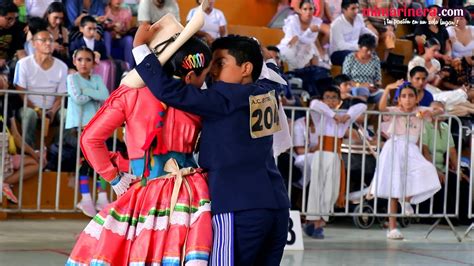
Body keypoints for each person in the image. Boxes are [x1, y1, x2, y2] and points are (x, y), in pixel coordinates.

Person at [132, 27, 291, 265]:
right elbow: (270, 68)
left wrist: (140, 49)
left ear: (246, 69)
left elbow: (168, 90)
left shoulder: (225, 98)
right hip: (276, 205)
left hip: (237, 206)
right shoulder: (267, 89)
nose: (211, 72)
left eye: (220, 63)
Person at [66, 14, 213, 265]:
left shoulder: (131, 94)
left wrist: (113, 176)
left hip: (144, 189)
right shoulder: (200, 99)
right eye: (205, 75)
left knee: (135, 252)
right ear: (190, 75)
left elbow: (90, 139)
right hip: (191, 192)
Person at [370, 81, 441, 240]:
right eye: (403, 96)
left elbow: (440, 110)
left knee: (426, 169)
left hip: (411, 149)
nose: (407, 99)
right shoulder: (395, 110)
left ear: (417, 99)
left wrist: (429, 113)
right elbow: (382, 108)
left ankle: (407, 198)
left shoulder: (420, 111)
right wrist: (388, 88)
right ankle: (392, 227)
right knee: (394, 188)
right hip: (395, 147)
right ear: (399, 99)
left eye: (410, 96)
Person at [304, 86, 366, 239]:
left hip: (335, 156)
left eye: (334, 97)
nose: (330, 100)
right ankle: (312, 221)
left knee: (330, 191)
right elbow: (314, 104)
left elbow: (362, 105)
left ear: (339, 101)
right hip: (320, 154)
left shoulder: (344, 117)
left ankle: (320, 222)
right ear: (323, 99)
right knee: (316, 188)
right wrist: (333, 115)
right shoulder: (320, 116)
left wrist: (346, 116)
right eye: (327, 97)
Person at [66, 47, 110, 217]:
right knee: (84, 162)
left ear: (93, 63)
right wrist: (94, 94)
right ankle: (85, 197)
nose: (84, 63)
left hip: (95, 127)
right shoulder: (72, 78)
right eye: (80, 60)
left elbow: (105, 95)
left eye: (88, 60)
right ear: (74, 61)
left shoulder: (97, 78)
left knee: (102, 161)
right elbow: (78, 98)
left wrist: (88, 91)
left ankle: (102, 196)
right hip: (77, 127)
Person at [13, 27, 68, 147]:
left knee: (67, 115)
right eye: (43, 40)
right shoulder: (23, 64)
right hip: (29, 107)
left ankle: (57, 151)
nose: (48, 43)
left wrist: (53, 111)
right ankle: (29, 151)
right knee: (29, 115)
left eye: (50, 40)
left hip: (52, 108)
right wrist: (37, 110)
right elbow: (21, 92)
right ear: (33, 44)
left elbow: (61, 94)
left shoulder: (62, 66)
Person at [277, 0, 323, 70]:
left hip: (304, 48)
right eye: (305, 9)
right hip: (289, 47)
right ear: (300, 10)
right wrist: (309, 31)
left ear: (314, 10)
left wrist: (301, 37)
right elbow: (293, 41)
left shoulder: (316, 22)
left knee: (313, 51)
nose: (308, 12)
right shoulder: (293, 20)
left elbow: (310, 40)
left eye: (311, 9)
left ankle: (313, 74)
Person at [329, 0, 376, 66]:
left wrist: (373, 37)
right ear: (344, 10)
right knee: (355, 56)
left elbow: (363, 30)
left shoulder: (359, 17)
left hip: (356, 50)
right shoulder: (336, 24)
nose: (356, 11)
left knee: (371, 53)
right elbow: (341, 46)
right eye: (353, 9)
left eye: (357, 8)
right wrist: (359, 47)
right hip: (338, 53)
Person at [342, 33, 382, 104]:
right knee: (363, 90)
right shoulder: (350, 58)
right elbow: (345, 80)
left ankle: (379, 115)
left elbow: (378, 79)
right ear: (359, 47)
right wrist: (361, 85)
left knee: (384, 94)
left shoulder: (375, 59)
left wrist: (375, 86)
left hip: (370, 89)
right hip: (354, 88)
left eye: (371, 50)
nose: (369, 52)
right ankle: (361, 112)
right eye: (367, 50)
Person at [103, 0, 134, 67]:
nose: (118, 1)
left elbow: (129, 30)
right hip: (108, 38)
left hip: (120, 38)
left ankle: (129, 67)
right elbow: (102, 26)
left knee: (129, 39)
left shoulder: (126, 12)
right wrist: (112, 27)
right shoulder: (105, 10)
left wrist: (121, 31)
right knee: (106, 34)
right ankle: (108, 63)